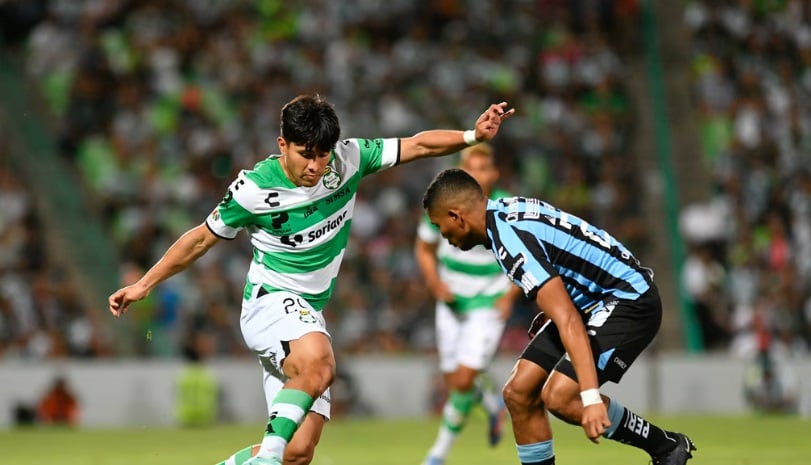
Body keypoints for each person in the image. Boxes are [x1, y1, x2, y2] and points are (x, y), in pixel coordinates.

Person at [107, 94, 514, 465]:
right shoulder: (253, 189)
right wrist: (144, 284)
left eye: (323, 155)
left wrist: (470, 135)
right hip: (271, 300)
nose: (316, 166)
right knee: (320, 365)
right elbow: (199, 239)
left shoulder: (350, 159)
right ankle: (267, 457)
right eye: (306, 155)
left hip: (308, 312)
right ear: (282, 144)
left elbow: (419, 145)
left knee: (299, 452)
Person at [421, 168, 697, 465]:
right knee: (518, 393)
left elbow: (567, 319)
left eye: (439, 227)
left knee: (561, 397)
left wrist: (590, 399)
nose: (444, 238)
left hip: (627, 299)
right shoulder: (506, 212)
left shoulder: (510, 240)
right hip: (589, 302)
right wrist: (557, 306)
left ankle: (666, 447)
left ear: (456, 216)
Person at [414, 144, 522, 465]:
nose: (477, 173)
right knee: (454, 381)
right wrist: (435, 283)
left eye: (483, 167)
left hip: (488, 303)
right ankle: (490, 402)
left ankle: (437, 455)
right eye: (470, 166)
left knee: (461, 381)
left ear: (494, 173)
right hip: (451, 302)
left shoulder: (506, 208)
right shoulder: (443, 204)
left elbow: (526, 257)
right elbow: (423, 248)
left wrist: (510, 295)